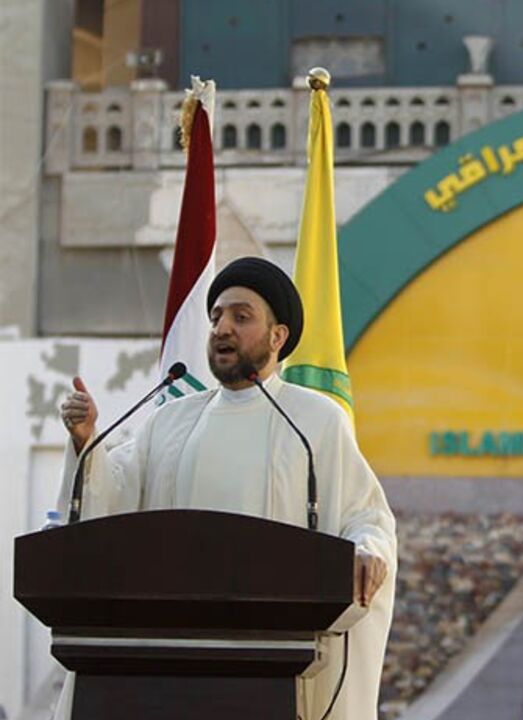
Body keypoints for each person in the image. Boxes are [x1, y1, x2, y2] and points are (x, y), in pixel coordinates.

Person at [55, 256, 396, 720]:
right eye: (216, 316)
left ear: (278, 337)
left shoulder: (312, 420)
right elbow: (111, 501)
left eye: (241, 316)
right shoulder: (171, 419)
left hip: (273, 668)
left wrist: (367, 549)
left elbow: (365, 516)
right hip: (170, 666)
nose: (222, 328)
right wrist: (87, 444)